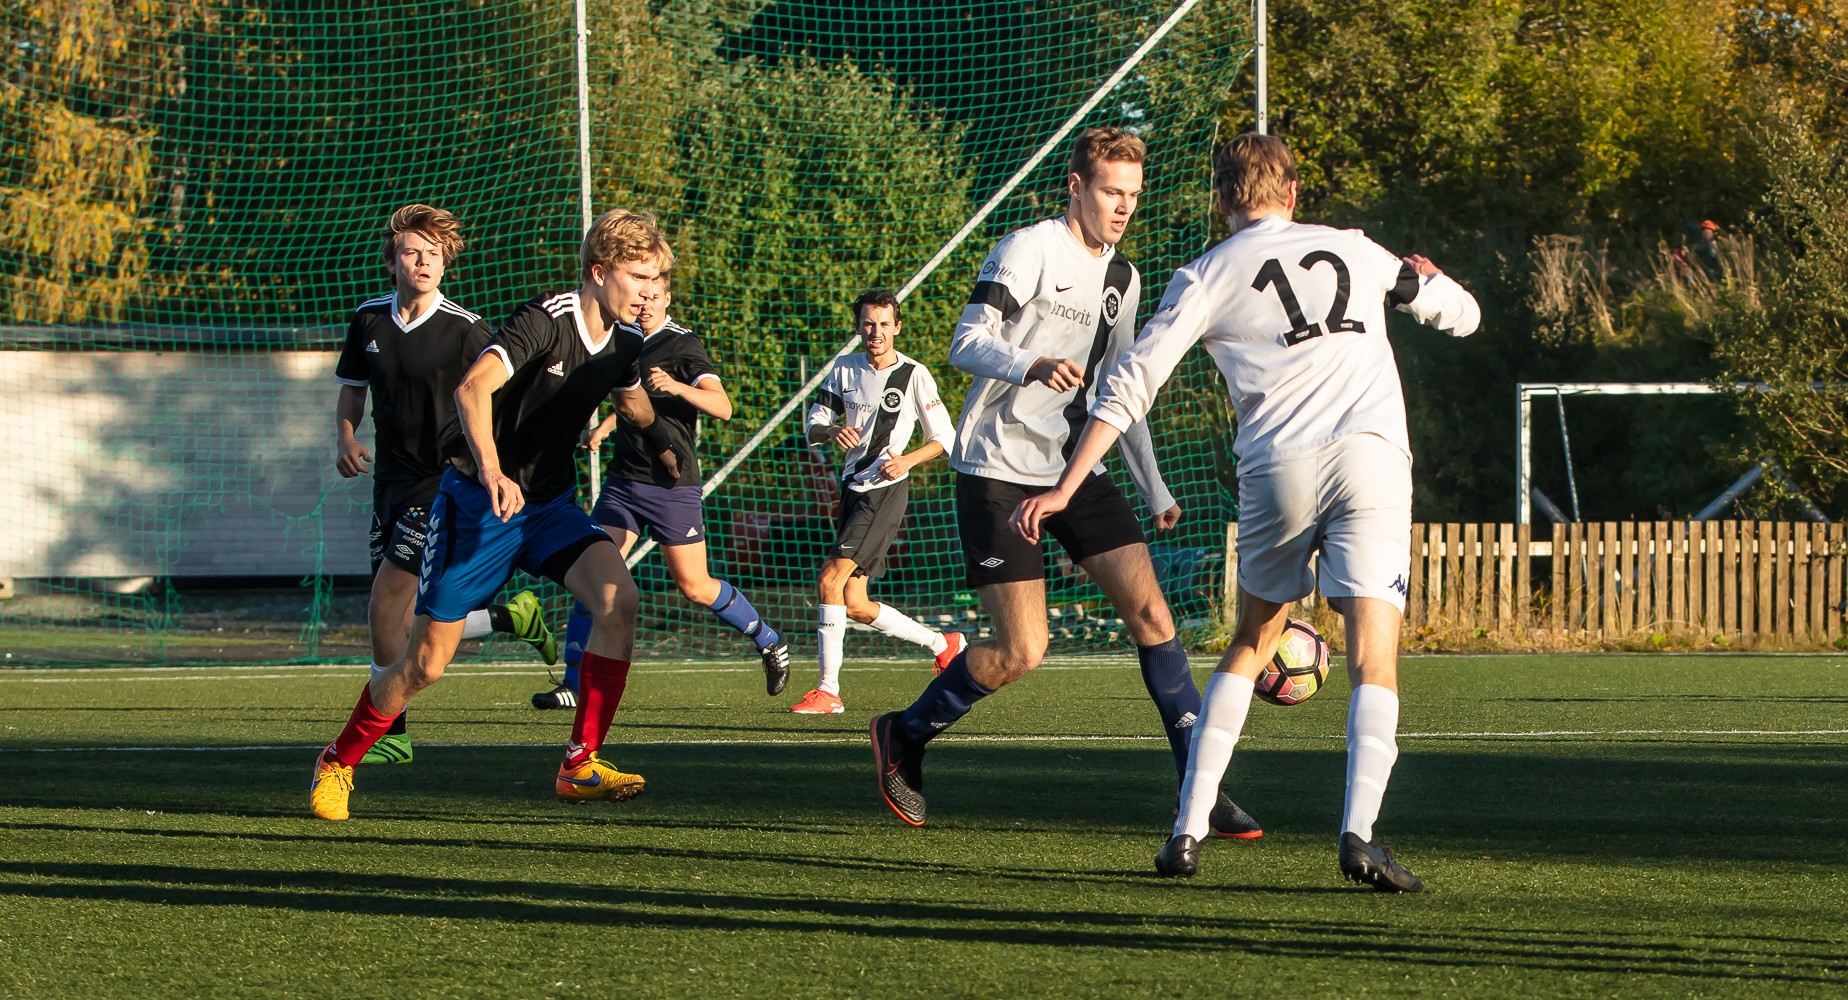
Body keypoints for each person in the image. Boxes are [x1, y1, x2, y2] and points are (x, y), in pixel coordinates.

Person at [1011, 132, 1481, 891]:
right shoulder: (1356, 248)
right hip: (1370, 456)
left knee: (1252, 640)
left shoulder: (1204, 272)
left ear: (1223, 199)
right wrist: (1429, 282)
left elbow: (1131, 381)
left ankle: (1187, 831)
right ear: (1293, 195)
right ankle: (1359, 835)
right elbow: (1461, 315)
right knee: (1373, 656)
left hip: (1279, 465)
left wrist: (1068, 484)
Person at [866, 126, 1261, 838]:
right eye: (1111, 191)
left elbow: (1120, 392)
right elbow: (964, 341)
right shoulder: (1031, 247)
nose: (1123, 207)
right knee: (1023, 650)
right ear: (1076, 186)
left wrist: (1155, 488)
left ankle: (1199, 792)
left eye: (1132, 195)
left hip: (1075, 471)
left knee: (1155, 618)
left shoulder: (1126, 279)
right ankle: (903, 733)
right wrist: (1032, 363)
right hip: (996, 471)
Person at [310, 209, 680, 821]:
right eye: (639, 276)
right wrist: (490, 469)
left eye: (656, 278)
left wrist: (664, 438)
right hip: (477, 505)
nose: (649, 290)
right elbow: (472, 389)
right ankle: (338, 759)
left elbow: (632, 399)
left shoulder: (629, 342)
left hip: (549, 506)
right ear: (597, 272)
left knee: (619, 601)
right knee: (426, 664)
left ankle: (579, 764)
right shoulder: (544, 319)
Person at [332, 204, 556, 766]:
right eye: (413, 251)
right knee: (405, 619)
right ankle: (510, 617)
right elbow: (352, 390)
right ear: (393, 261)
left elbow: (498, 398)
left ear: (446, 261)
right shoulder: (368, 321)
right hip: (389, 482)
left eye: (434, 253)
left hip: (443, 483)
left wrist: (501, 463)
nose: (424, 261)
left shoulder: (466, 329)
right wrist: (345, 437)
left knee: (385, 605)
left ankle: (390, 730)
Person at [531, 284, 791, 710]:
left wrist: (677, 385)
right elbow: (632, 396)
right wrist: (604, 428)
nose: (645, 303)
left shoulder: (682, 344)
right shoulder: (622, 339)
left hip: (672, 486)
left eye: (654, 296)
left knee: (694, 586)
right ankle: (574, 683)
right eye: (639, 295)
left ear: (667, 299)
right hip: (622, 484)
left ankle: (768, 639)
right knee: (591, 579)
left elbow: (722, 406)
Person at [789, 289, 961, 715]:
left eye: (884, 324)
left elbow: (944, 437)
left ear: (897, 327)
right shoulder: (844, 369)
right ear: (858, 326)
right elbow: (813, 425)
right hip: (852, 488)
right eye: (868, 324)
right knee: (856, 603)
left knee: (830, 579)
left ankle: (829, 691)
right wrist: (832, 433)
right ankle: (944, 644)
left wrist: (906, 460)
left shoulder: (914, 374)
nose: (876, 332)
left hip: (884, 492)